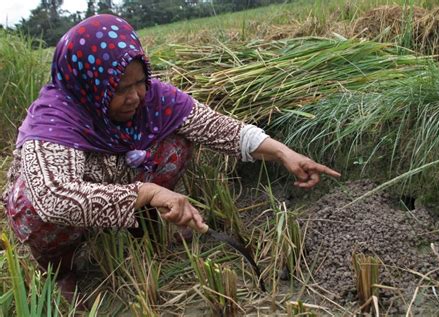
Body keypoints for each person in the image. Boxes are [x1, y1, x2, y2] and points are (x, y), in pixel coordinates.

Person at [2, 14, 340, 307]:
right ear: (90, 86)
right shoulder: (55, 119)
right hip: (75, 195)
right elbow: (54, 198)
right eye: (120, 88)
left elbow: (216, 127)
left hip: (123, 178)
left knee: (177, 138)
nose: (136, 96)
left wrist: (283, 152)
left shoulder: (155, 98)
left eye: (140, 82)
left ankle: (147, 228)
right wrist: (146, 192)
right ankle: (61, 269)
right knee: (31, 207)